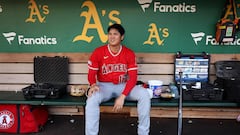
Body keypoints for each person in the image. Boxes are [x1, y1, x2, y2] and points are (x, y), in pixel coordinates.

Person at [85, 23, 151, 135]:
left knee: (144, 94)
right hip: (104, 87)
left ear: (122, 37)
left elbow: (133, 77)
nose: (112, 36)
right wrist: (93, 84)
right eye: (110, 34)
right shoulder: (99, 52)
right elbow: (91, 73)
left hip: (124, 87)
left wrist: (123, 96)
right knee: (92, 99)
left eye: (115, 34)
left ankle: (143, 133)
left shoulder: (128, 53)